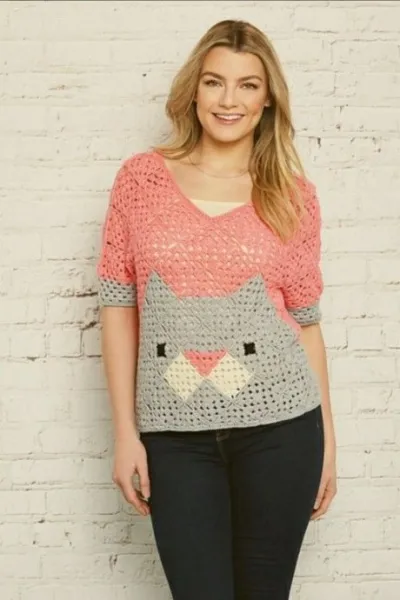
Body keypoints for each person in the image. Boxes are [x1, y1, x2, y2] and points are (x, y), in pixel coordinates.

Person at [97, 19, 337, 600]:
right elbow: (118, 306)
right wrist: (125, 432)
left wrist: (328, 442)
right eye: (214, 82)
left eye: (247, 85)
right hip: (174, 438)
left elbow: (306, 324)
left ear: (268, 98)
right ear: (195, 90)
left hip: (283, 431)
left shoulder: (291, 194)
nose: (229, 100)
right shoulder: (141, 180)